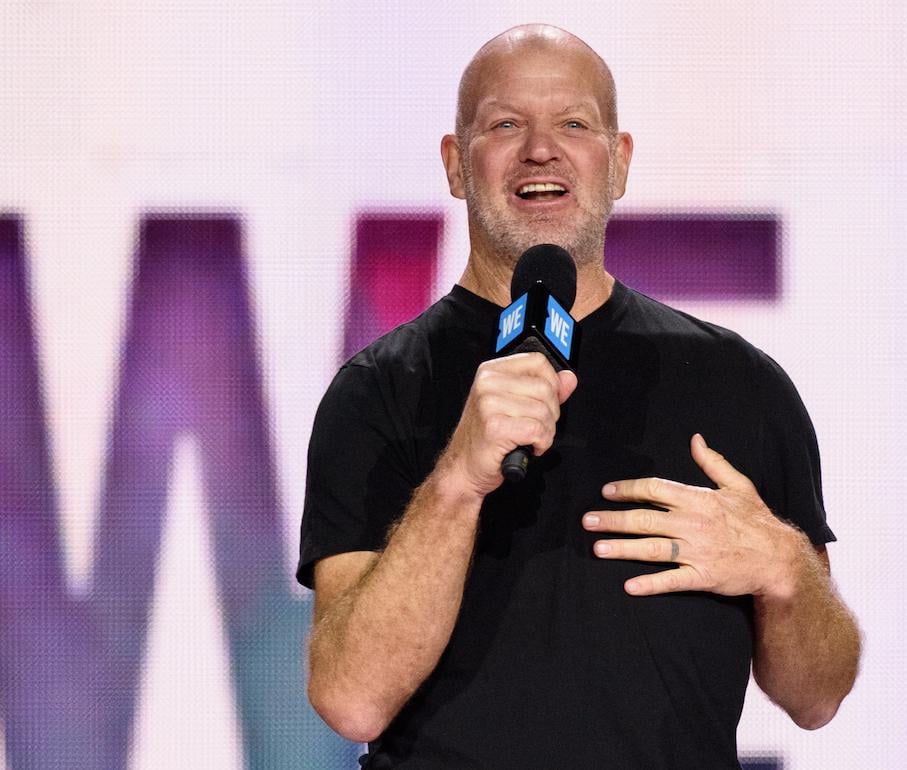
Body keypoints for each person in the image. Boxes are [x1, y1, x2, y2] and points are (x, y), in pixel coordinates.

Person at [297, 24, 861, 768]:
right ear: (455, 164)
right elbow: (351, 698)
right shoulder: (376, 393)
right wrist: (458, 481)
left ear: (618, 162)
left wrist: (785, 569)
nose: (541, 149)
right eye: (505, 124)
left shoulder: (740, 385)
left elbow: (818, 695)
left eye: (573, 123)